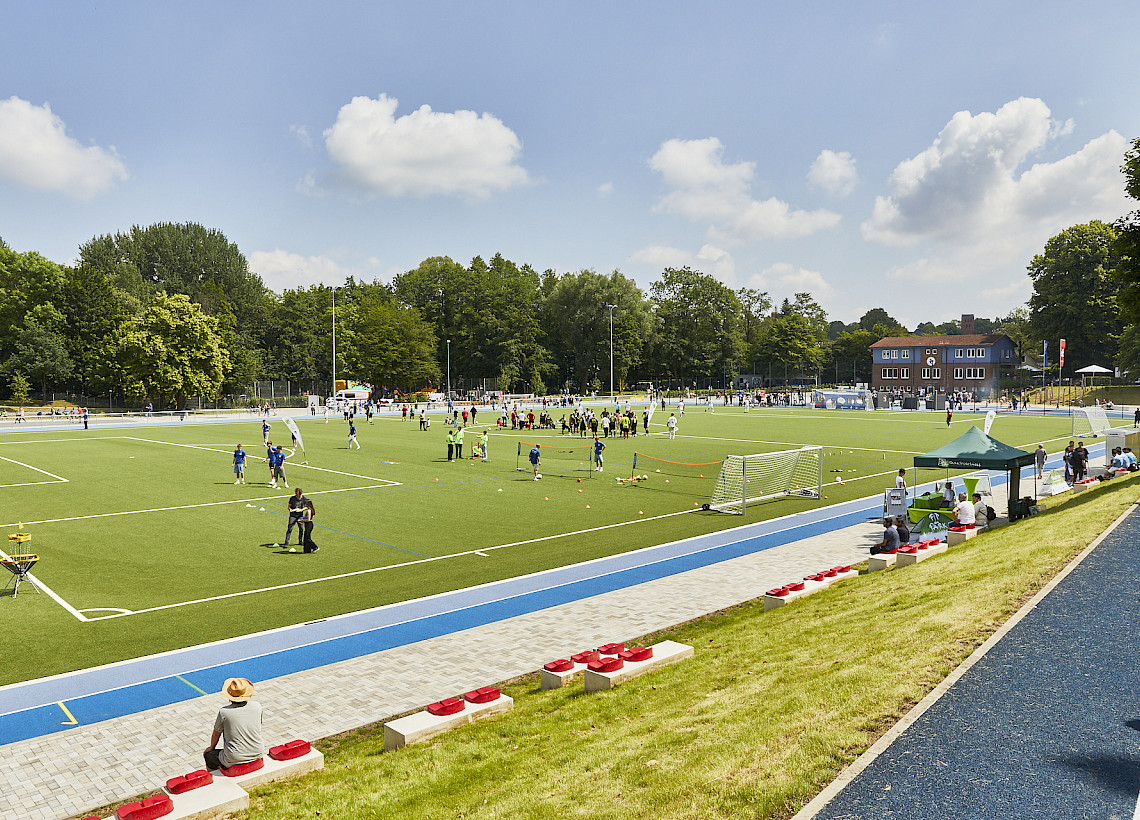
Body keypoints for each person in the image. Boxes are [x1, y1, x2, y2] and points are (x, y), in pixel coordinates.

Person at [203, 678, 263, 771]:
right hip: (258, 752)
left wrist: (211, 748)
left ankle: (215, 776)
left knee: (208, 756)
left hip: (235, 758)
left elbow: (216, 734)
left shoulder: (224, 712)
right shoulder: (257, 706)